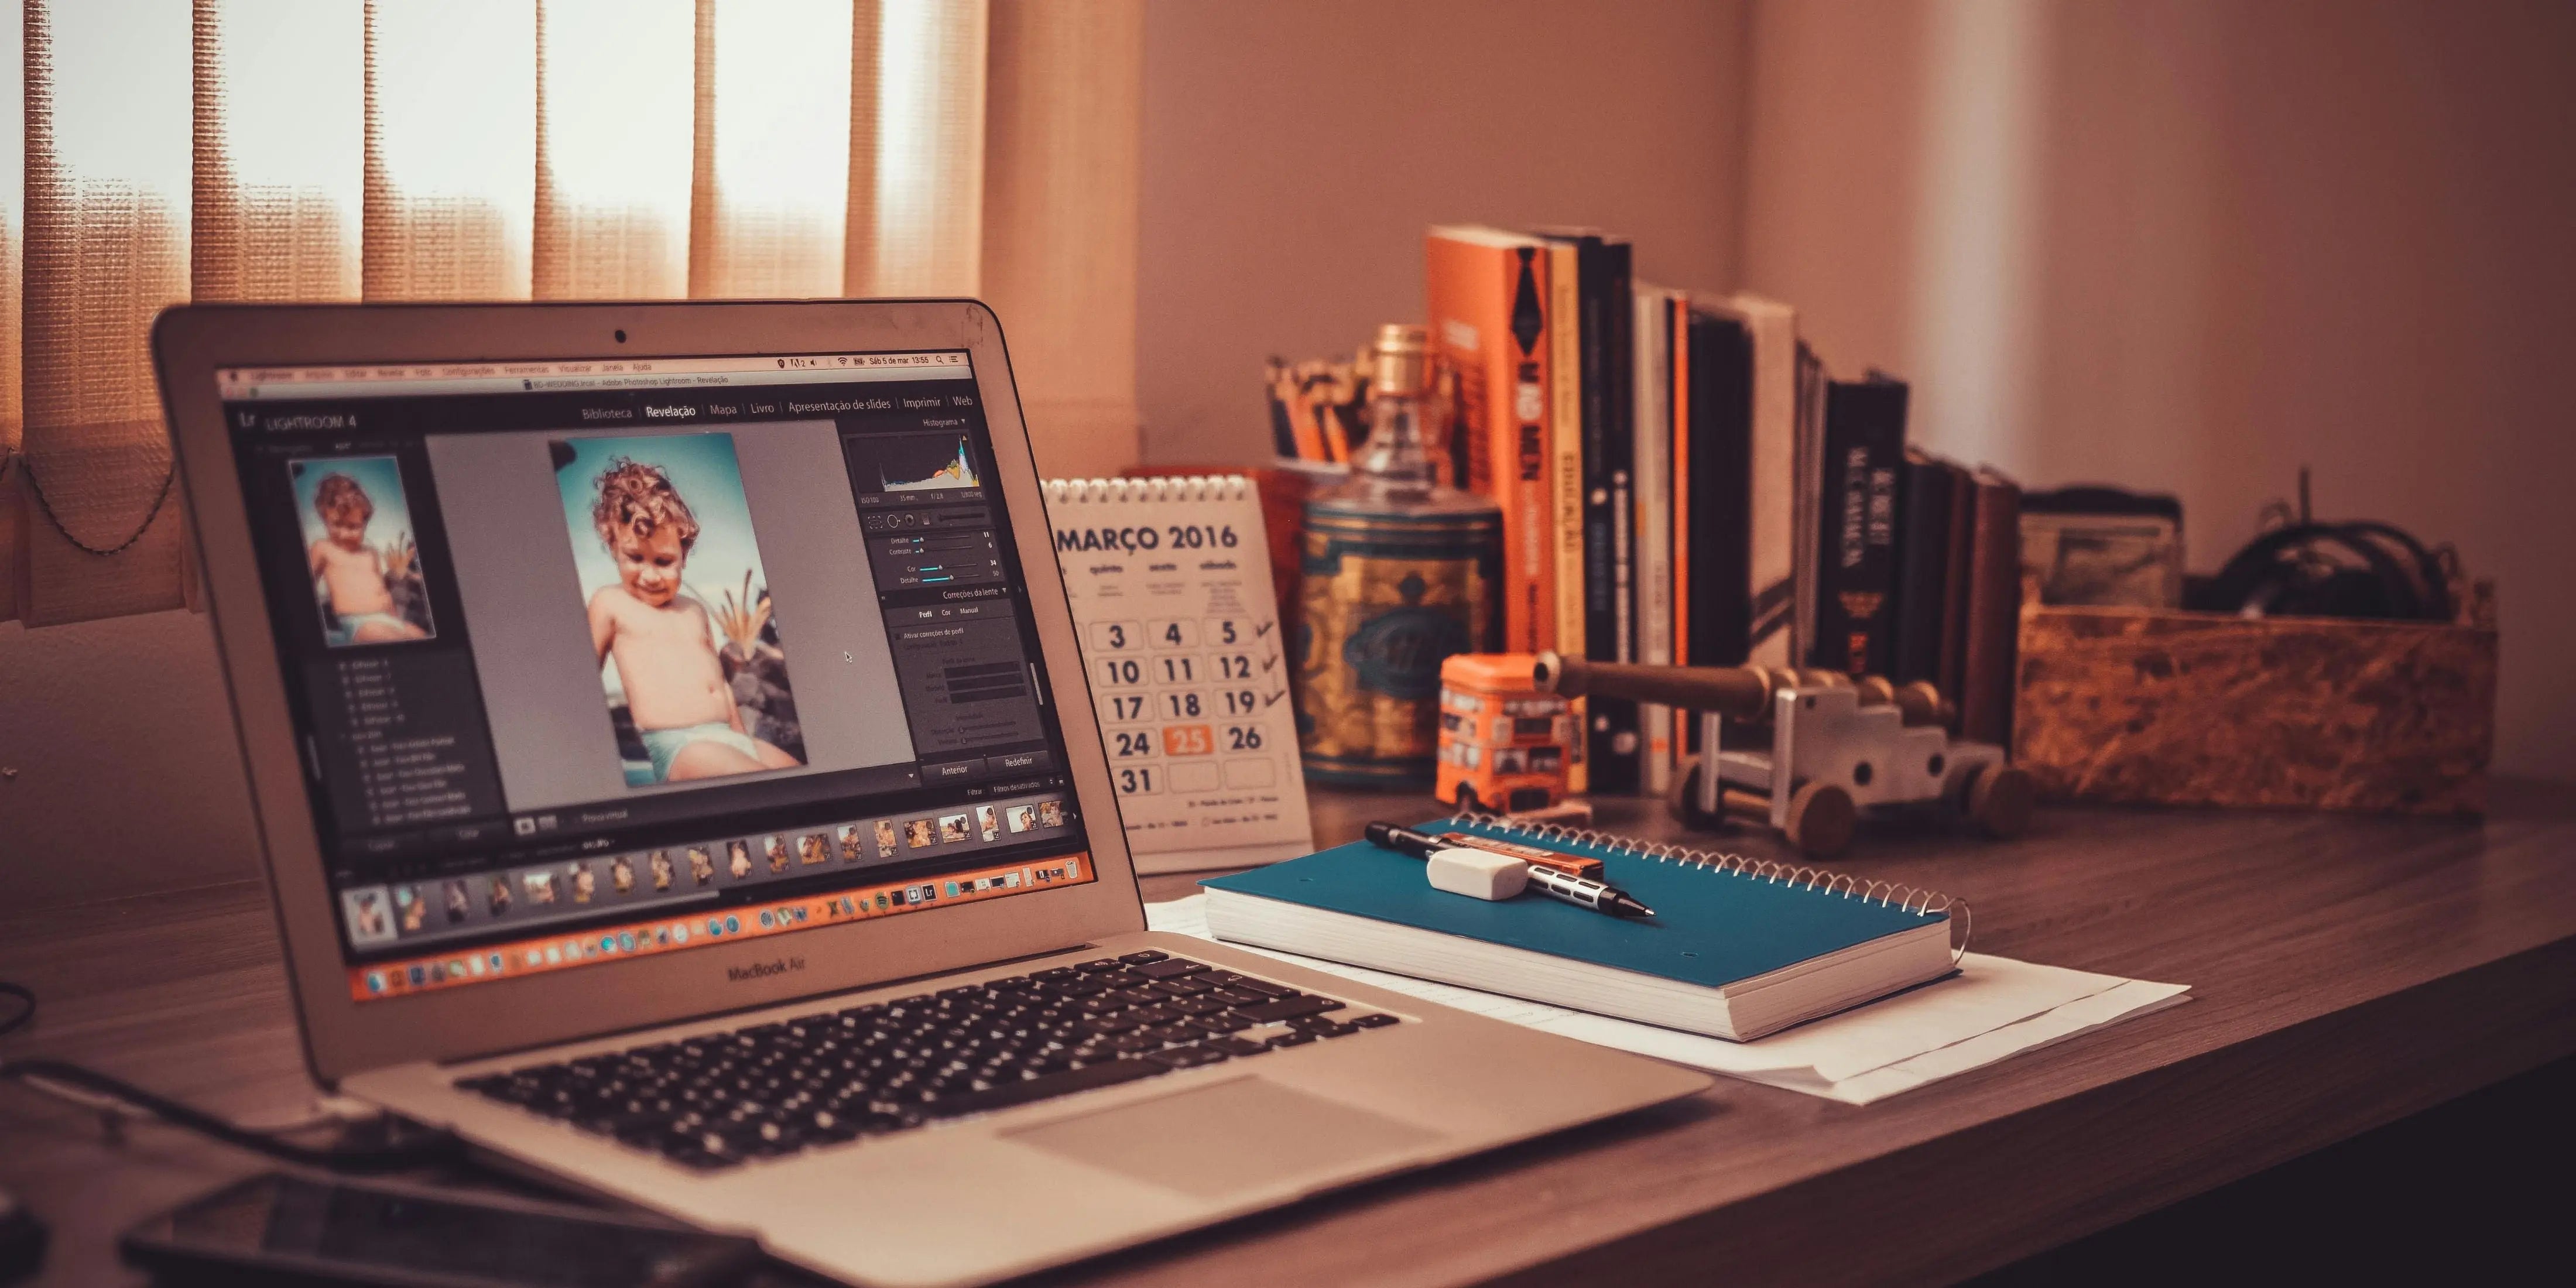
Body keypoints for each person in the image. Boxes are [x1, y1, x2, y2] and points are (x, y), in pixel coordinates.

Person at [584, 458, 798, 783]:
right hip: (682, 747)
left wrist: (743, 741)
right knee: (768, 788)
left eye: (664, 561)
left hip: (730, 736)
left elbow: (721, 686)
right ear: (614, 547)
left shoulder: (694, 610)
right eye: (635, 557)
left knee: (801, 778)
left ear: (684, 555)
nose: (650, 575)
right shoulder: (611, 603)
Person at [309, 472, 426, 645]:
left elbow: (382, 590)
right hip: (359, 624)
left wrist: (397, 620)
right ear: (325, 519)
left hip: (388, 619)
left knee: (420, 636)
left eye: (353, 527)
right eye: (337, 524)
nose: (344, 534)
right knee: (391, 639)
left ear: (365, 522)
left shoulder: (371, 553)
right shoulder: (323, 548)